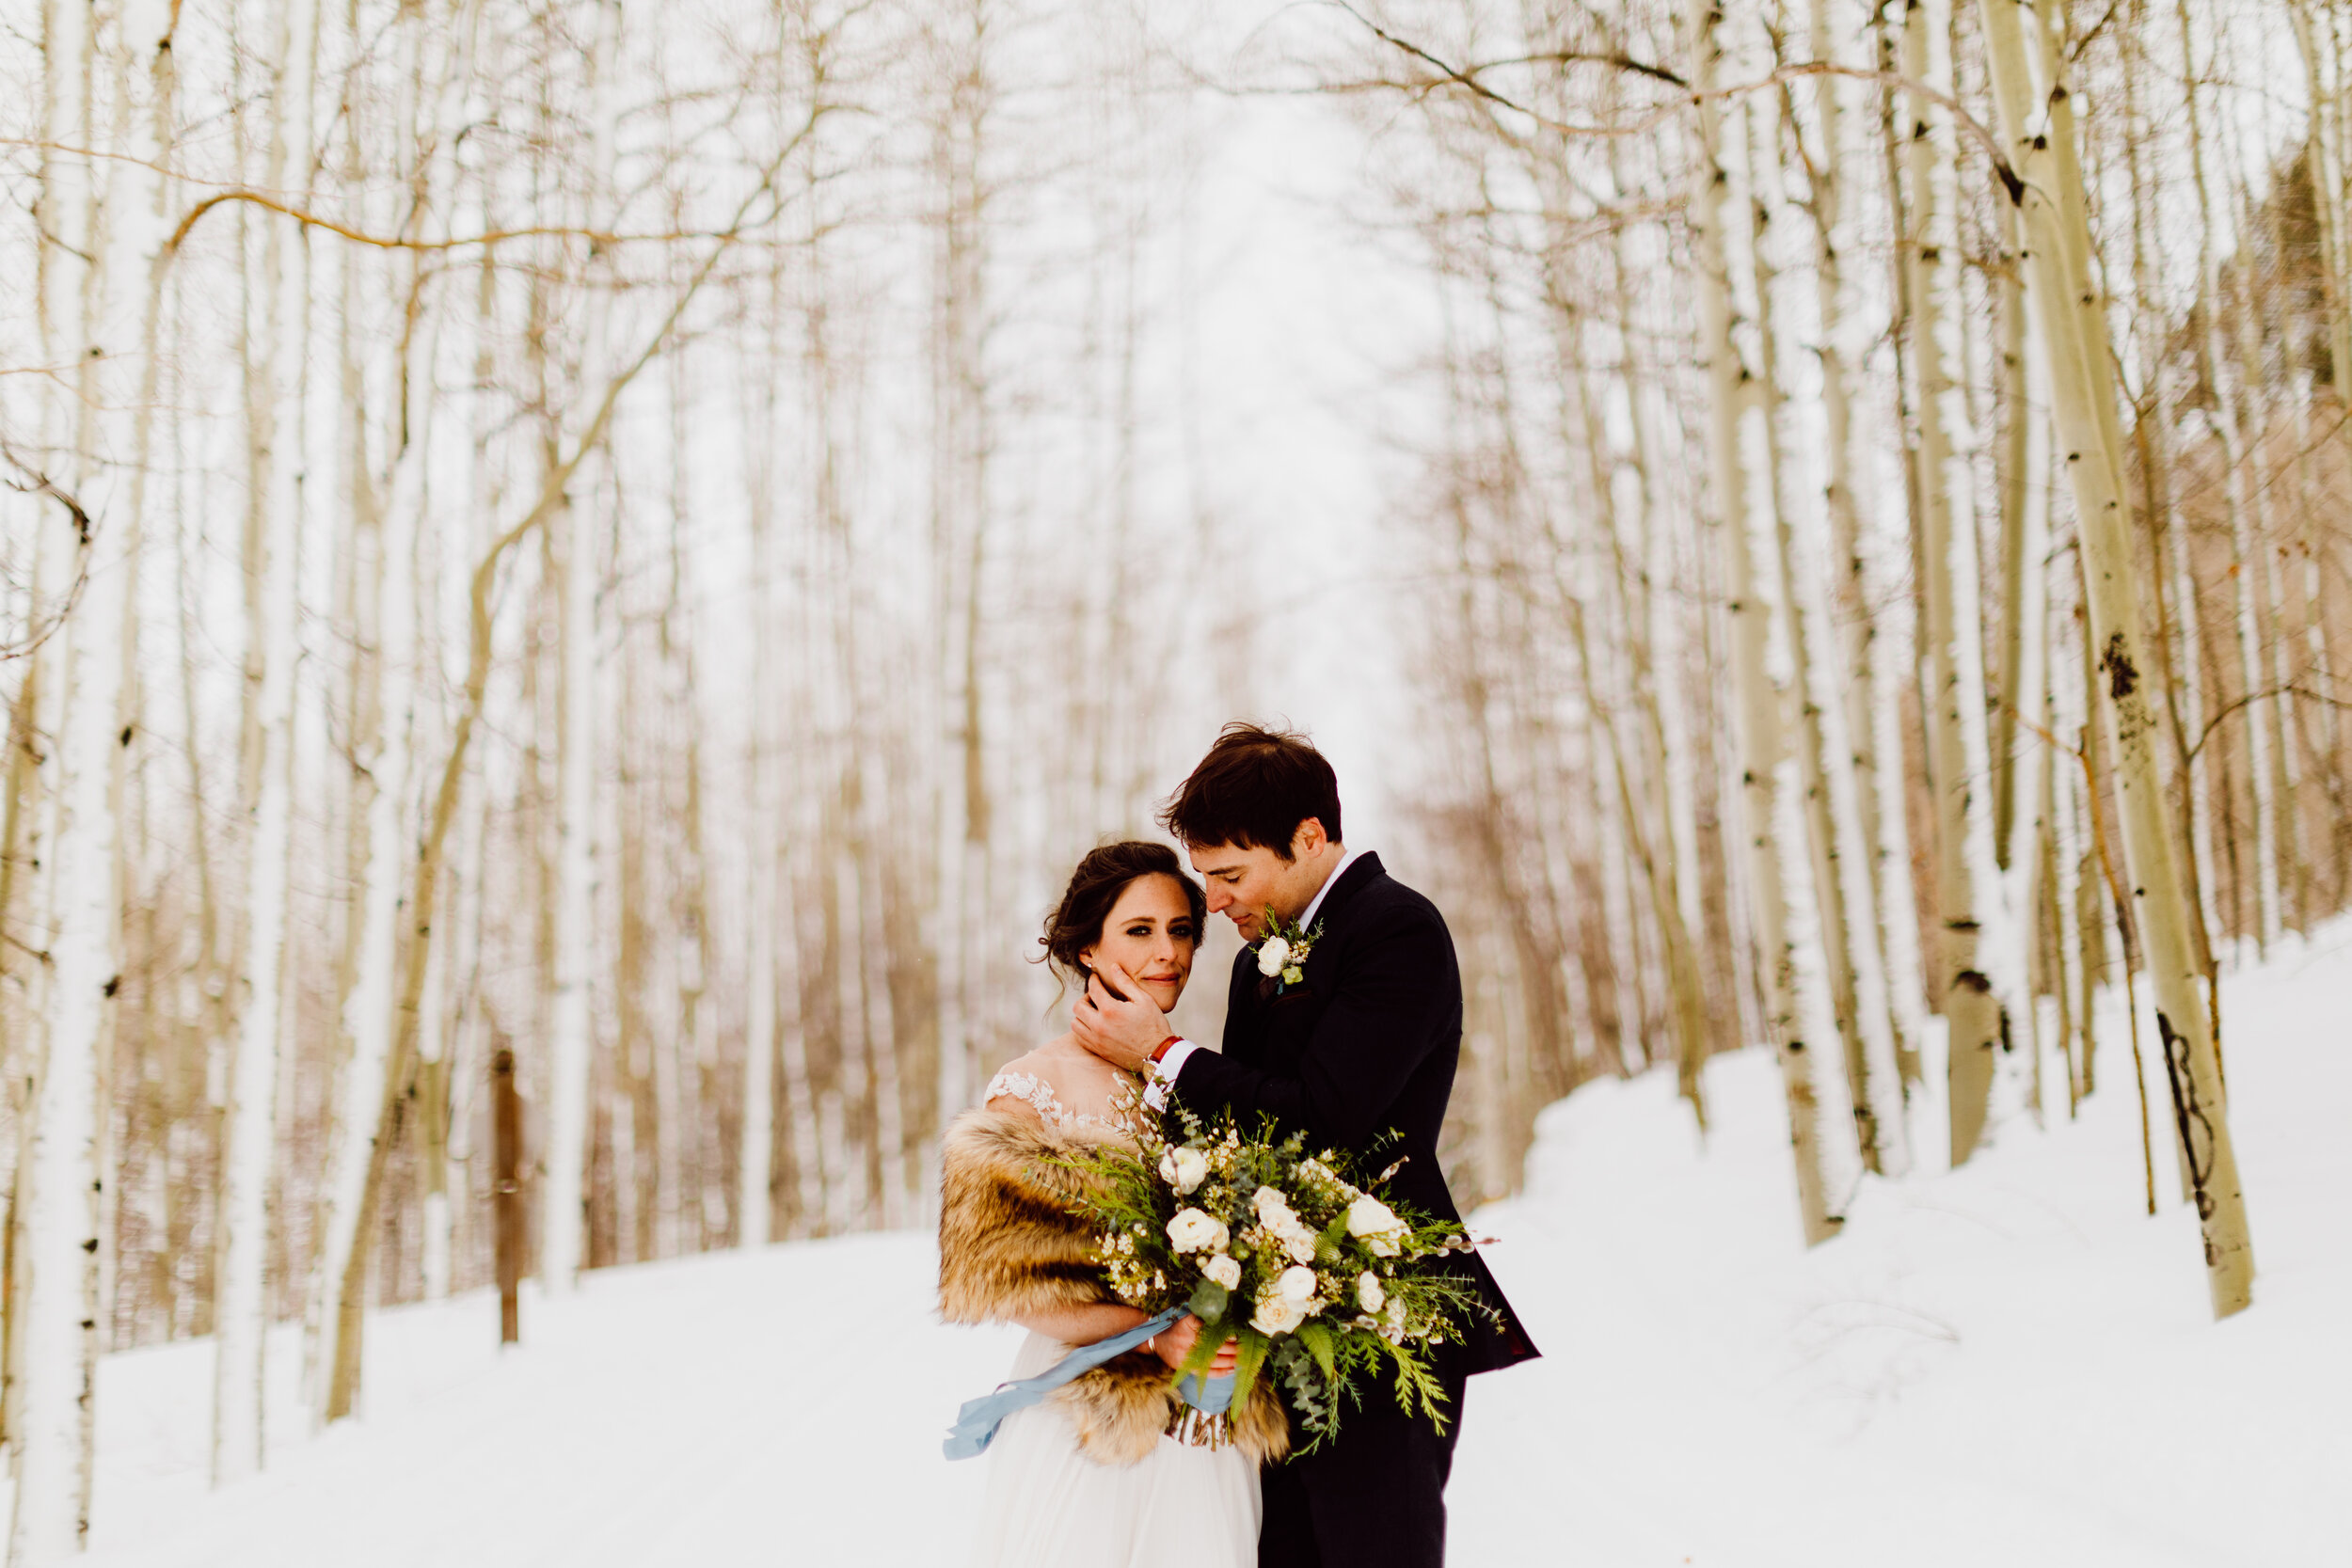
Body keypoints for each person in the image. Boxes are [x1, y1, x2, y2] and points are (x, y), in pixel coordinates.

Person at [1071, 723, 1540, 1568]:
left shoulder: (1397, 928)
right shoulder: (1260, 961)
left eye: (1229, 875)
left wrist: (1165, 1053)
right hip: (1276, 1324)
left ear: (1309, 839)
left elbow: (1326, 1118)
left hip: (1382, 1315)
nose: (1213, 902)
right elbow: (1238, 1133)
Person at [939, 842, 1286, 1568]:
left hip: (1207, 1420)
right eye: (1140, 930)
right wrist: (1151, 1335)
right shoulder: (1031, 1086)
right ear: (1088, 946)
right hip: (1090, 1419)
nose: (1168, 951)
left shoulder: (1204, 1080)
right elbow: (1008, 1286)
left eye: (1182, 929)